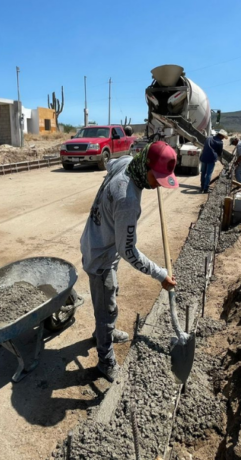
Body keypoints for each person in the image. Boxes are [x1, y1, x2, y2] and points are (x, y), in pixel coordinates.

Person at [80, 141, 179, 381]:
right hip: (101, 256)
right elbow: (129, 252)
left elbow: (110, 164)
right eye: (156, 177)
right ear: (144, 164)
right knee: (106, 308)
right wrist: (160, 273)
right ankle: (105, 360)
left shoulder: (126, 162)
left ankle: (103, 332)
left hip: (98, 239)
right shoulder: (128, 200)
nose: (157, 184)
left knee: (108, 299)